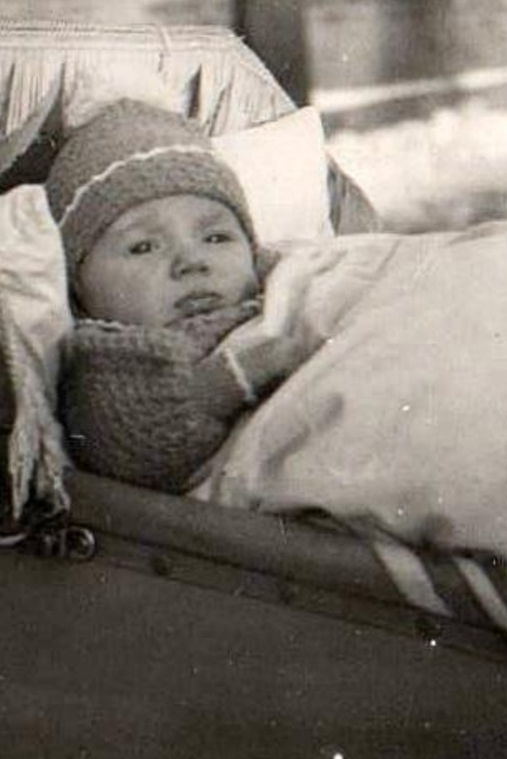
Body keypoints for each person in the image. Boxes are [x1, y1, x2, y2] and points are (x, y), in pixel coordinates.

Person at [44, 99, 321, 492]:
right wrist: (225, 384)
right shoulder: (105, 358)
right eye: (143, 247)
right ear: (78, 287)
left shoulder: (285, 279)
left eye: (216, 237)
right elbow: (121, 439)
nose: (191, 261)